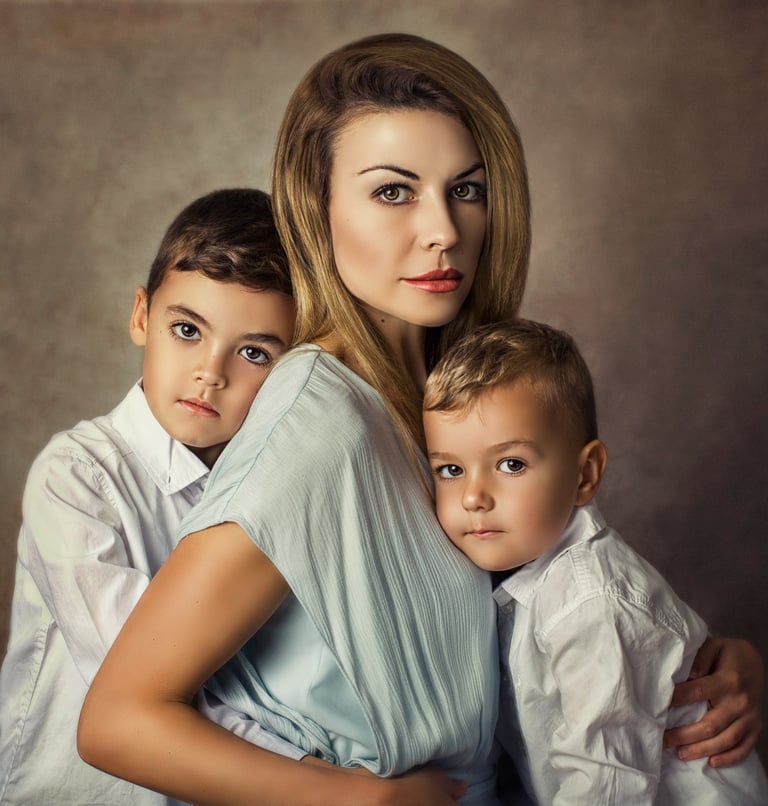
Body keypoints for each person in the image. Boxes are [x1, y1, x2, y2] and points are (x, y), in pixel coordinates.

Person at [78, 34, 763, 806]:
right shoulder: (316, 421)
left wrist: (699, 664)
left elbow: (566, 587)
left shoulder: (459, 389)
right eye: (395, 191)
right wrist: (357, 801)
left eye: (466, 190)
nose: (443, 230)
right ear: (316, 204)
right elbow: (117, 719)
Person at [0, 188, 299, 806]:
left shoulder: (279, 489)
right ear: (142, 316)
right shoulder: (76, 478)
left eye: (253, 353)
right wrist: (327, 781)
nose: (210, 372)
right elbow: (162, 692)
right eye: (187, 330)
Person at [423, 318, 768, 805]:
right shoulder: (516, 566)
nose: (474, 496)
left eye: (511, 464)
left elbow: (605, 787)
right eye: (451, 469)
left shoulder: (592, 605)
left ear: (584, 475)